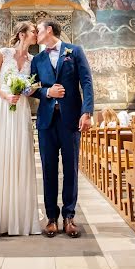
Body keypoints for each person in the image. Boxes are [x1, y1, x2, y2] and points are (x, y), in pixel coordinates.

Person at [0, 21, 41, 236]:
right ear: (22, 34)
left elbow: (31, 89)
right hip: (2, 107)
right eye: (33, 31)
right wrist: (5, 95)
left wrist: (28, 89)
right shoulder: (4, 53)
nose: (36, 34)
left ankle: (18, 216)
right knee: (0, 155)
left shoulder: (34, 60)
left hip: (20, 108)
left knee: (19, 155)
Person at [31, 19, 94, 238]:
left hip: (70, 120)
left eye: (38, 30)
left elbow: (86, 81)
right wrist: (48, 93)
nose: (36, 33)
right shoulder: (37, 59)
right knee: (48, 169)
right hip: (46, 122)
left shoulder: (74, 51)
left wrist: (87, 112)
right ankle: (51, 218)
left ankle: (69, 216)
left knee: (71, 169)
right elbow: (31, 87)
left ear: (49, 30)